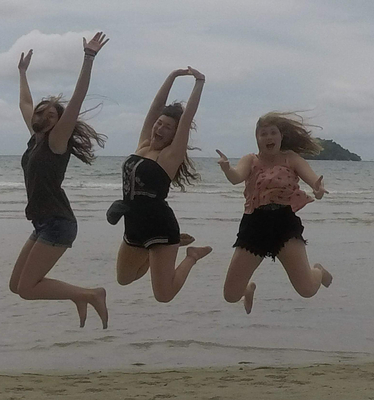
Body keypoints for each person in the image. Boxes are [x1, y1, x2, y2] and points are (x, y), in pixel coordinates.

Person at [9, 33, 110, 328]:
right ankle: (81, 296)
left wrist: (88, 57)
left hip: (58, 222)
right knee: (16, 286)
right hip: (43, 222)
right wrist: (22, 72)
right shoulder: (35, 138)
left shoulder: (56, 141)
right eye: (41, 112)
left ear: (58, 122)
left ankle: (89, 294)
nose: (43, 115)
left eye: (51, 115)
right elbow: (25, 102)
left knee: (27, 289)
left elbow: (77, 98)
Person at [109, 67, 211, 301]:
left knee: (164, 295)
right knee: (124, 278)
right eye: (159, 123)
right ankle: (164, 249)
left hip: (159, 226)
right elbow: (155, 107)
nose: (160, 128)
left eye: (167, 127)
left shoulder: (169, 156)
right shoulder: (143, 145)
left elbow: (187, 119)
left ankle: (192, 256)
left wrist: (199, 82)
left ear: (175, 135)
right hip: (133, 224)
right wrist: (172, 76)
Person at [217, 111, 332, 313]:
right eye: (264, 134)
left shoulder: (291, 158)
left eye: (273, 133)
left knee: (306, 290)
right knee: (230, 295)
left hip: (284, 224)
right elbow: (236, 177)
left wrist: (319, 190)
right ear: (257, 138)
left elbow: (314, 181)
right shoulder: (250, 160)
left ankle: (319, 272)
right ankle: (247, 289)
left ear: (281, 136)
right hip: (254, 225)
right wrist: (227, 169)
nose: (269, 137)